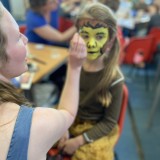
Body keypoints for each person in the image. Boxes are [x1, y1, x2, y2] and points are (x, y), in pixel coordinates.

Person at [0, 1, 87, 160]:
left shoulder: (53, 10)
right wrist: (74, 67)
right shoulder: (36, 124)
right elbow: (67, 113)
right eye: (17, 36)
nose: (25, 38)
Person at [57, 2, 124, 160]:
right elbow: (65, 97)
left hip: (96, 128)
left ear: (111, 41)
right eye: (85, 35)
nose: (91, 43)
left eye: (99, 36)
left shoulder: (115, 79)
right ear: (77, 35)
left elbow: (109, 123)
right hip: (71, 118)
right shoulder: (74, 65)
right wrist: (63, 126)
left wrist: (79, 141)